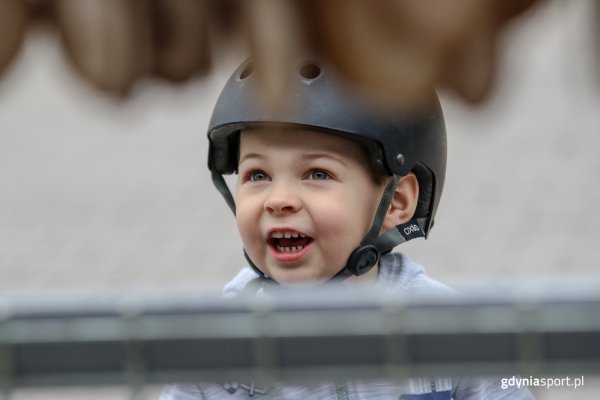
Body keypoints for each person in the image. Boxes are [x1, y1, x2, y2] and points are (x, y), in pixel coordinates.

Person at [160, 59, 534, 399]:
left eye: (317, 174)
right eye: (257, 175)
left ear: (396, 202)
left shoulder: (446, 327)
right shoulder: (219, 341)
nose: (279, 199)